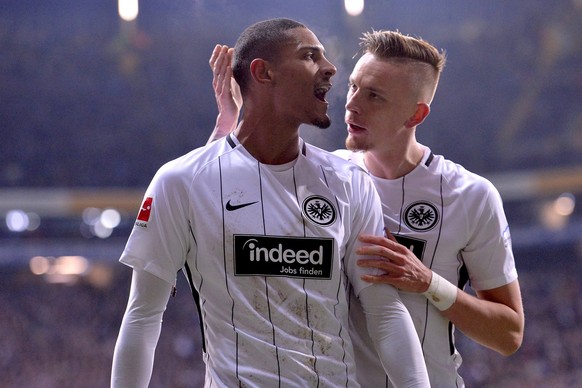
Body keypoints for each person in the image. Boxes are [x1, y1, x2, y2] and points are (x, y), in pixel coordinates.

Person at [111, 18, 429, 387]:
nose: (330, 68)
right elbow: (143, 315)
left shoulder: (350, 182)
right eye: (310, 56)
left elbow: (385, 311)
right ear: (263, 73)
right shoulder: (180, 181)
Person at [208, 29, 525, 387]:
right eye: (355, 86)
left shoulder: (470, 196)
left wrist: (427, 282)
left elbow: (509, 334)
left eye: (374, 96)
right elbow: (216, 204)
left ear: (415, 115)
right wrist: (230, 123)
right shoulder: (319, 177)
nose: (352, 104)